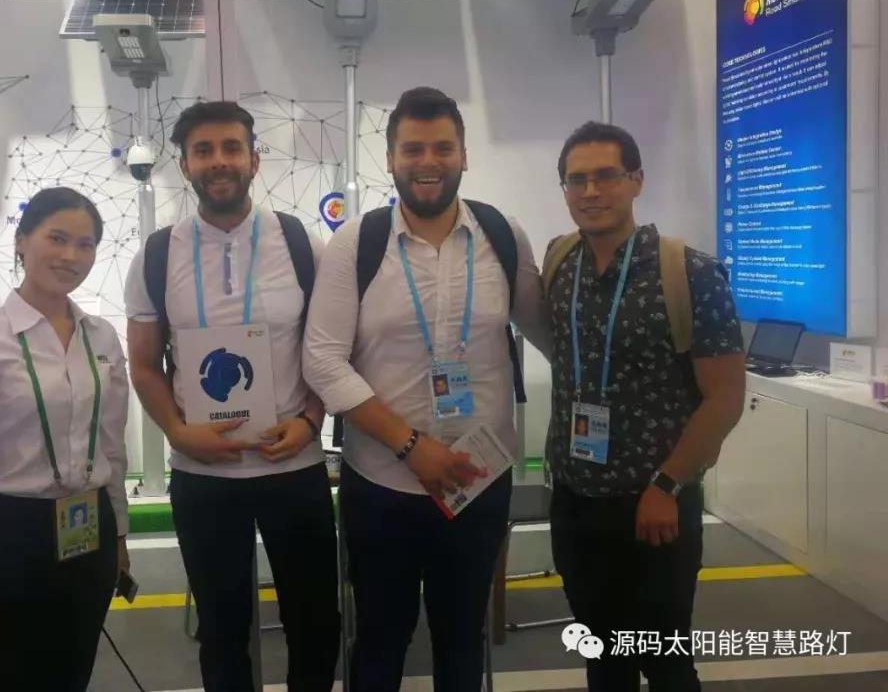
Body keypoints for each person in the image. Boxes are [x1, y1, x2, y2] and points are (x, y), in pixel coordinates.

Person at [303, 87, 549, 691]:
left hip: (477, 480)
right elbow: (323, 360)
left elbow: (550, 334)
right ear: (390, 159)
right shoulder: (356, 243)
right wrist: (413, 446)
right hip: (382, 484)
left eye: (443, 147)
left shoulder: (502, 235)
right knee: (380, 640)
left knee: (462, 640)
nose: (428, 161)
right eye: (412, 149)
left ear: (464, 154)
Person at [124, 101, 340, 692]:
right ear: (185, 165)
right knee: (221, 631)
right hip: (204, 475)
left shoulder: (300, 243)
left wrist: (311, 421)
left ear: (254, 160)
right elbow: (143, 365)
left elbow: (327, 351)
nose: (218, 161)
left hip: (292, 464)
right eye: (203, 151)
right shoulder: (157, 255)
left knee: (315, 623)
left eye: (231, 148)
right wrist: (177, 431)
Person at [543, 121, 746, 691]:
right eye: (576, 180)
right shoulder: (560, 264)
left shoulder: (690, 272)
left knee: (664, 661)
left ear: (636, 180)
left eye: (606, 175)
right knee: (603, 658)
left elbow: (726, 396)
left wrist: (667, 484)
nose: (591, 191)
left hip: (656, 503)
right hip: (576, 501)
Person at [0, 187, 131, 692]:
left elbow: (111, 445)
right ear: (22, 241)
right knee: (9, 678)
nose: (71, 256)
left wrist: (120, 536)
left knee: (72, 675)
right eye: (57, 238)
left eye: (85, 244)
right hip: (13, 536)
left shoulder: (102, 338)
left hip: (90, 529)